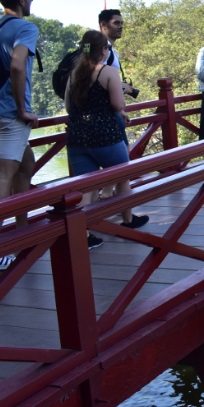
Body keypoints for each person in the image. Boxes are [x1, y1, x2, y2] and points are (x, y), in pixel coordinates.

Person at [65, 30, 149, 247]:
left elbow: (68, 106)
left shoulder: (73, 74)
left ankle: (82, 234)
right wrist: (120, 110)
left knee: (86, 186)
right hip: (106, 136)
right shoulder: (109, 72)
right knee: (122, 177)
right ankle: (128, 219)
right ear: (103, 50)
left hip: (78, 137)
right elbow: (118, 104)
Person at [0, 0, 39, 269]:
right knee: (3, 175)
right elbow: (18, 65)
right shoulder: (25, 28)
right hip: (10, 113)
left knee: (26, 164)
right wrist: (22, 109)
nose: (31, 1)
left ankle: (22, 231)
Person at [98, 9, 137, 96]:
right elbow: (96, 82)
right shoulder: (101, 51)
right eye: (116, 23)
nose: (120, 26)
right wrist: (121, 87)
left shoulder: (111, 52)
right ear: (103, 25)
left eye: (121, 23)